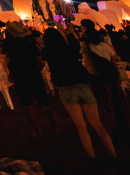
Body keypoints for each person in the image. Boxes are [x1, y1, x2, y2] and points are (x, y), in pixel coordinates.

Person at [41, 26, 116, 159]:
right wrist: (68, 34)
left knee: (81, 125)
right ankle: (112, 154)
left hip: (66, 88)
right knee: (97, 124)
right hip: (82, 85)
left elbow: (44, 54)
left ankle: (92, 156)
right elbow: (75, 44)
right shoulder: (71, 48)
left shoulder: (47, 51)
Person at [1, 21, 56, 136]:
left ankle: (37, 130)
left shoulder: (10, 44)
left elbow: (4, 54)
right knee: (44, 102)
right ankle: (55, 127)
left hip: (20, 76)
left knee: (27, 104)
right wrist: (36, 70)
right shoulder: (30, 43)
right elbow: (41, 61)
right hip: (33, 75)